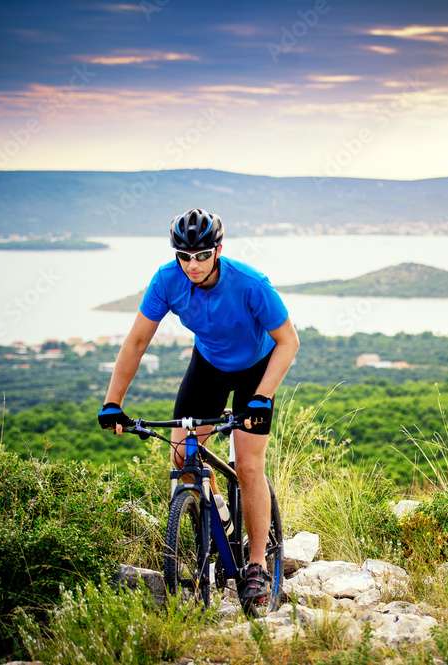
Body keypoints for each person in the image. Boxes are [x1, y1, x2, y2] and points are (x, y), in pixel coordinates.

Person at [96, 208, 300, 613]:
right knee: (182, 458)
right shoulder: (166, 280)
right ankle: (218, 511)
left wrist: (261, 396)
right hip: (207, 366)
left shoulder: (251, 284)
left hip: (255, 371)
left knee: (248, 465)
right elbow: (136, 342)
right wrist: (112, 402)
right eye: (184, 256)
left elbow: (289, 342)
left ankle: (257, 564)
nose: (192, 264)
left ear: (218, 250)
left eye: (202, 255)